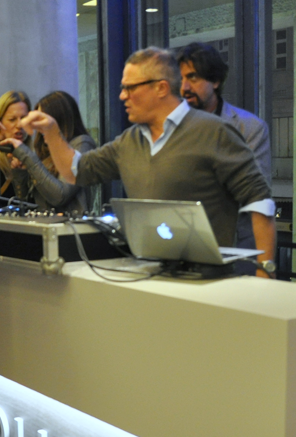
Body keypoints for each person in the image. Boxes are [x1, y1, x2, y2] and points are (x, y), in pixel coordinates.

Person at [23, 47, 277, 277]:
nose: (122, 96)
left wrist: (265, 271)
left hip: (212, 281)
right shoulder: (129, 141)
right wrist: (52, 132)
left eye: (130, 88)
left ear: (161, 88)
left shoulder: (214, 132)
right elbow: (75, 171)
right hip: (151, 275)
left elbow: (259, 201)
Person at [177, 42, 272, 255]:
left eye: (193, 78)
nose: (184, 88)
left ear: (216, 81)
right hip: (183, 244)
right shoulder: (172, 127)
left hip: (234, 248)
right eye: (181, 79)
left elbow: (255, 193)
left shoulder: (249, 127)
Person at [5, 90, 98, 214]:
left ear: (58, 120)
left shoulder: (82, 144)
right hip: (43, 223)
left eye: (42, 120)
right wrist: (20, 173)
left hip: (71, 225)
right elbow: (26, 202)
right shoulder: (45, 147)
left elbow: (60, 195)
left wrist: (28, 157)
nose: (38, 128)